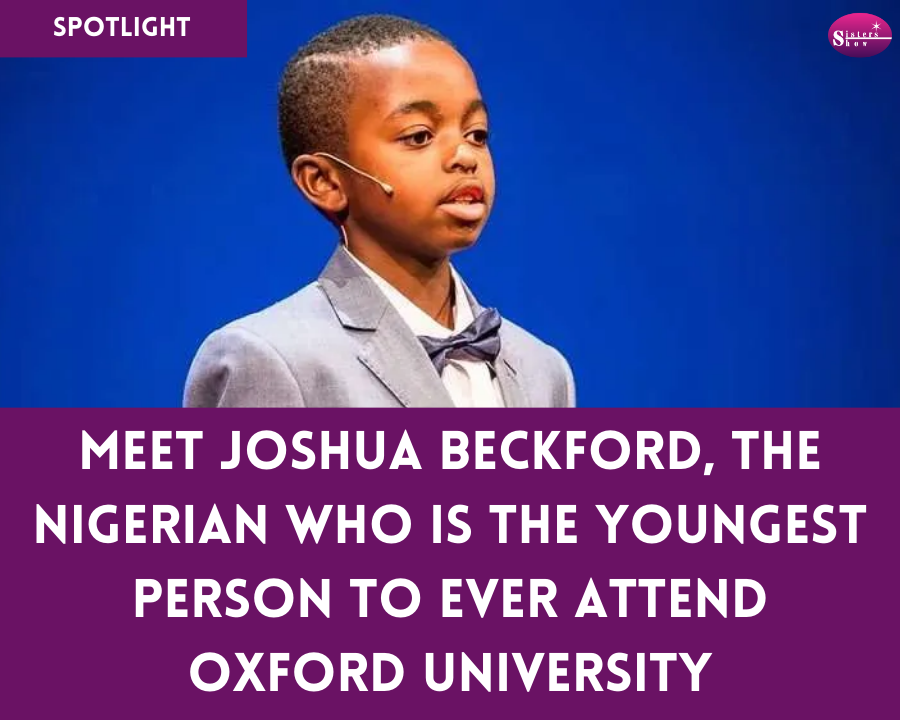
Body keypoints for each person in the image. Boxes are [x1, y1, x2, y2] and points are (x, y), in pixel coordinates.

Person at [183, 14, 575, 408]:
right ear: (325, 182)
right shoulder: (270, 359)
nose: (464, 156)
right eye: (419, 136)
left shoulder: (542, 370)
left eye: (477, 134)